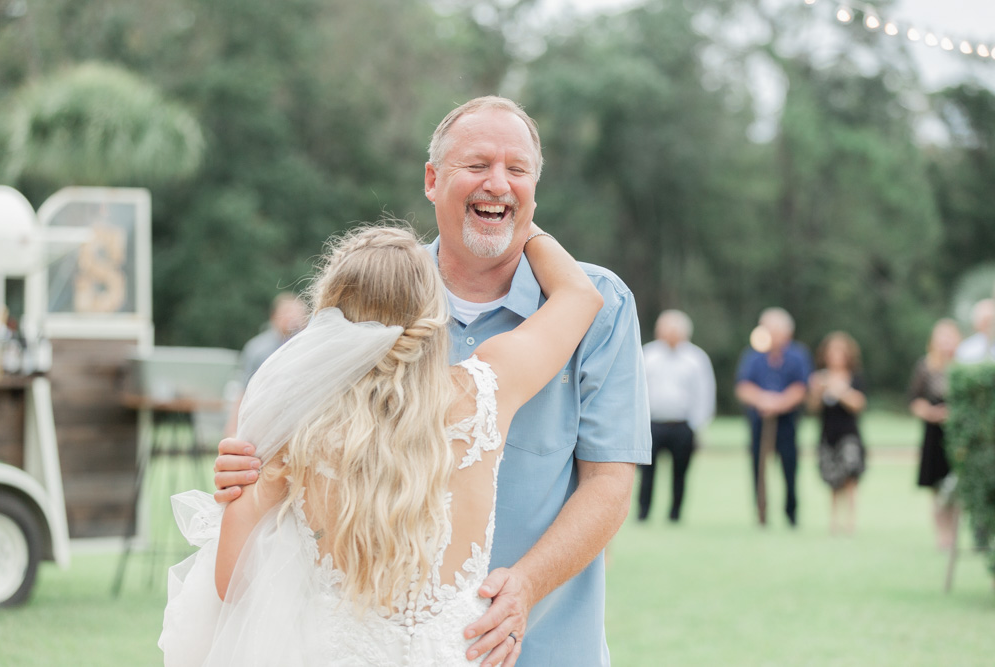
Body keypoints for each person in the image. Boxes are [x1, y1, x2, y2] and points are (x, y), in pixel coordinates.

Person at [212, 97, 651, 667]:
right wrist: (242, 470)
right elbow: (274, 470)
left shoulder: (606, 307)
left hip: (550, 645)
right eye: (477, 166)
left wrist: (526, 586)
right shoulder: (379, 297)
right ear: (431, 179)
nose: (497, 182)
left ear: (537, 186)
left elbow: (610, 484)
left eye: (518, 170)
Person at [159, 224, 604, 665]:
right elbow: (581, 297)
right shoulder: (486, 392)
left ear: (329, 316)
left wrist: (241, 495)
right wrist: (514, 213)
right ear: (435, 310)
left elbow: (232, 586)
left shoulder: (300, 428)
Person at [735, 307, 812, 527]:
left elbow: (801, 387)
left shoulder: (798, 355)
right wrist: (762, 400)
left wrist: (779, 403)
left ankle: (791, 514)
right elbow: (743, 386)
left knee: (789, 468)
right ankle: (761, 513)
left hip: (787, 422)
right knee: (758, 468)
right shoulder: (753, 355)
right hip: (759, 421)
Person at [637, 309, 715, 523]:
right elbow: (637, 390)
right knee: (646, 474)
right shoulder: (647, 354)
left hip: (682, 425)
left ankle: (675, 514)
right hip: (652, 425)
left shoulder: (696, 358)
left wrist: (697, 425)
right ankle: (643, 513)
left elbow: (704, 394)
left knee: (680, 473)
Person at [909, 318, 961, 551]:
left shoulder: (963, 366)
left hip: (958, 434)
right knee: (936, 489)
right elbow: (914, 399)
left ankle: (955, 533)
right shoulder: (925, 366)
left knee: (956, 487)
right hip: (933, 434)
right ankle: (943, 537)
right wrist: (930, 413)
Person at [224, 292, 308, 436]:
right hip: (262, 420)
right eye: (288, 312)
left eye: (298, 313)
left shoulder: (308, 348)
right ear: (274, 316)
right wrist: (233, 427)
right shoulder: (257, 349)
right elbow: (243, 390)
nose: (293, 318)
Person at [808, 332, 867, 535]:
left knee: (850, 477)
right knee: (832, 480)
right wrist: (816, 390)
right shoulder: (819, 377)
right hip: (828, 434)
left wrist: (840, 390)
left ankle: (851, 521)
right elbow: (813, 408)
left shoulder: (854, 378)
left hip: (848, 434)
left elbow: (859, 404)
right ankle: (834, 522)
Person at [955, 298, 995, 363]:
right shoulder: (966, 348)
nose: (990, 325)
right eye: (985, 321)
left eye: (992, 320)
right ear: (976, 324)